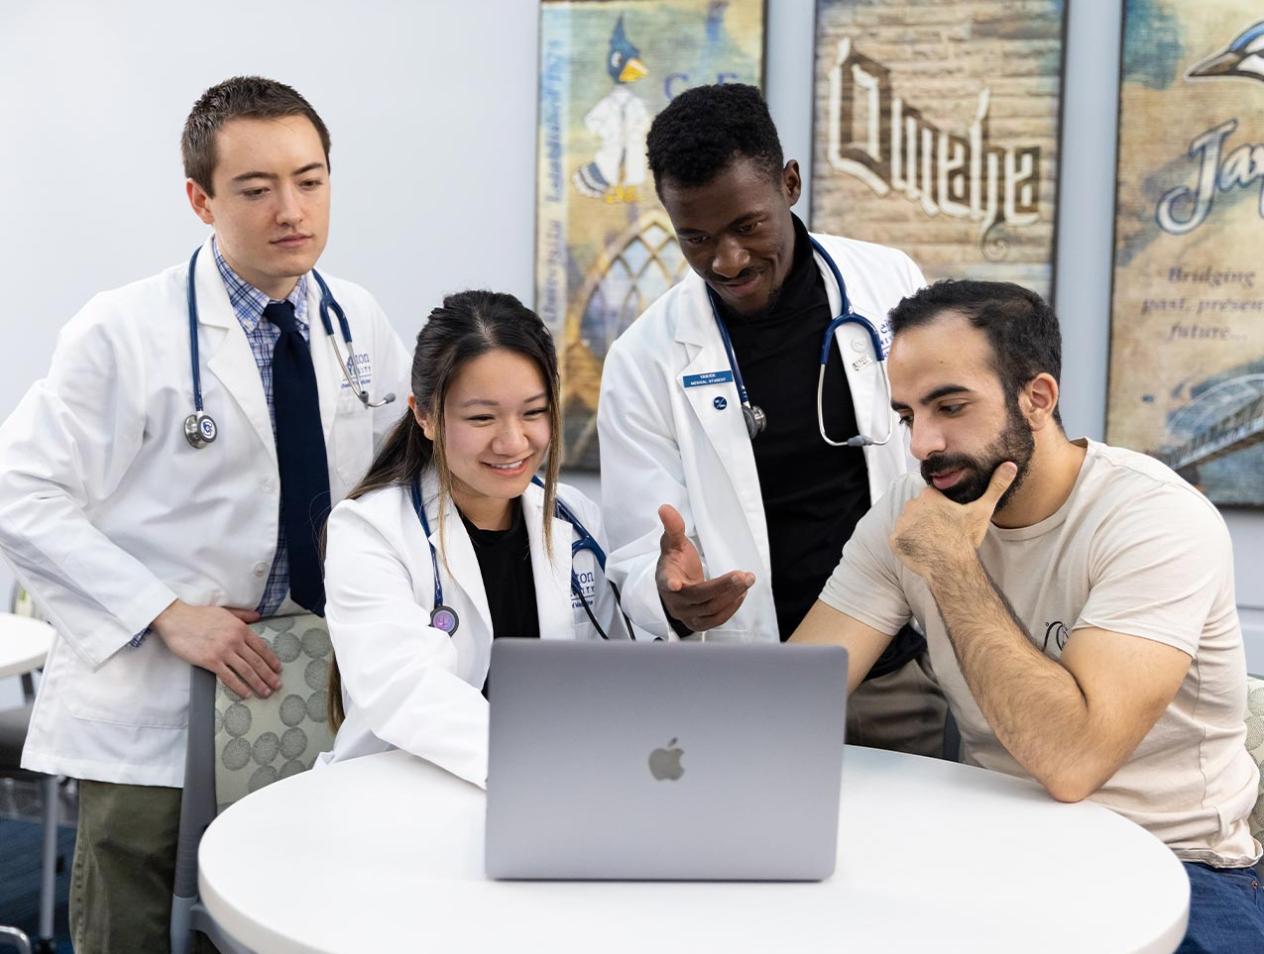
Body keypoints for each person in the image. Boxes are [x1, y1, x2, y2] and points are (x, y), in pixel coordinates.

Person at [0, 76, 411, 952]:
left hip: (308, 687)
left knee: (294, 916)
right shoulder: (124, 331)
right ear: (201, 199)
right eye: (256, 190)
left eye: (310, 179)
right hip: (158, 695)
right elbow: (17, 490)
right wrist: (165, 613)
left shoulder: (359, 323)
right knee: (137, 921)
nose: (290, 209)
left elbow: (393, 491)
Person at [790, 280, 1263, 952]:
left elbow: (1071, 763)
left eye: (950, 406)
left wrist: (952, 569)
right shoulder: (909, 509)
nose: (923, 444)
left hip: (1179, 863)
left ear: (1037, 398)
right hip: (996, 851)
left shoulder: (1154, 519)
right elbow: (793, 700)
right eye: (906, 416)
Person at [597, 82, 944, 754]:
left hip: (891, 671)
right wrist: (670, 594)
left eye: (746, 226)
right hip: (740, 685)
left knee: (906, 851)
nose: (725, 260)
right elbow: (642, 550)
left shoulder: (889, 284)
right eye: (694, 238)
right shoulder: (645, 356)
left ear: (789, 184)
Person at [322, 290, 629, 786]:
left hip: (552, 791)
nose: (513, 442)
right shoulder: (369, 532)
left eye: (533, 412)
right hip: (403, 796)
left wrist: (670, 601)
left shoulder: (573, 517)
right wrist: (539, 769)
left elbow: (612, 670)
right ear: (423, 415)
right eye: (482, 418)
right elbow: (409, 693)